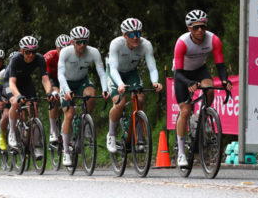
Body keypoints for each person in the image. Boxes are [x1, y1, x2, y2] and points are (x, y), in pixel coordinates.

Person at [172, 9, 232, 167]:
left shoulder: (213, 40)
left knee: (209, 89)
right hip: (182, 73)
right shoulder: (182, 43)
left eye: (203, 27)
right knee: (185, 111)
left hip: (200, 70)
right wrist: (188, 83)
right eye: (196, 27)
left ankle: (202, 116)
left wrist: (225, 80)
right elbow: (177, 74)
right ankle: (181, 153)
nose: (200, 30)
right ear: (189, 29)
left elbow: (220, 65)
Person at [106, 18, 163, 153]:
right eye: (132, 35)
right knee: (120, 103)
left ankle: (139, 137)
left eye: (138, 33)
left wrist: (155, 82)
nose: (136, 38)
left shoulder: (146, 45)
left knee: (140, 99)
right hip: (115, 73)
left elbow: (152, 68)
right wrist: (120, 84)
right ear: (124, 35)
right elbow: (113, 68)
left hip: (131, 73)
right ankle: (111, 135)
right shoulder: (116, 44)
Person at [57, 27, 109, 166]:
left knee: (91, 96)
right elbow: (60, 74)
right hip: (66, 82)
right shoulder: (65, 52)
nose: (82, 45)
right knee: (69, 114)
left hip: (82, 81)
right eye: (79, 42)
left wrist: (105, 89)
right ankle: (66, 151)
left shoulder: (93, 52)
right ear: (73, 42)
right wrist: (67, 91)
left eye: (85, 42)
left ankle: (86, 121)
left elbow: (102, 72)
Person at [7, 36, 57, 158]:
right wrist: (18, 96)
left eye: (33, 51)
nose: (31, 55)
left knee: (34, 110)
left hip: (26, 82)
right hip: (10, 83)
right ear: (21, 51)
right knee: (15, 102)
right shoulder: (16, 59)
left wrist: (48, 93)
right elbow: (12, 83)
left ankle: (35, 146)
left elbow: (45, 79)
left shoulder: (39, 58)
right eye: (27, 52)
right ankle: (12, 132)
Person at [43, 34, 71, 143]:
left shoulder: (73, 56)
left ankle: (67, 128)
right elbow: (43, 73)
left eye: (67, 48)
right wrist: (50, 91)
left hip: (66, 78)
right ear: (56, 48)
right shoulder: (49, 56)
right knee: (56, 96)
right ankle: (53, 130)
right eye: (61, 48)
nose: (64, 51)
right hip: (52, 79)